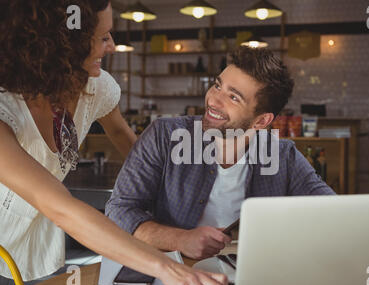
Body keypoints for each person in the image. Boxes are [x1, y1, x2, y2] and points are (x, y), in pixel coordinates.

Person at [0, 0, 228, 285]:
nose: (113, 46)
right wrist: (167, 269)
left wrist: (164, 193)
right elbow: (60, 208)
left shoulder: (94, 87)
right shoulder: (4, 105)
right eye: (103, 37)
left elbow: (121, 133)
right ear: (62, 44)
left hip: (37, 243)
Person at [105, 46, 336, 261]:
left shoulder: (284, 156)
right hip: (174, 272)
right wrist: (180, 239)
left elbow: (334, 214)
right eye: (217, 85)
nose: (213, 100)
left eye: (233, 97)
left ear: (261, 120)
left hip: (253, 276)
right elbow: (119, 210)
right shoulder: (163, 136)